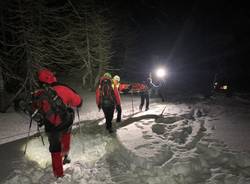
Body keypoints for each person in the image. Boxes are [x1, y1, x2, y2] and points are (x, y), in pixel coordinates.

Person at [32, 68, 82, 178]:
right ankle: (65, 156)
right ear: (53, 78)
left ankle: (58, 174)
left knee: (55, 149)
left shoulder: (39, 93)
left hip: (51, 126)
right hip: (65, 122)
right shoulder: (64, 88)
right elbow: (78, 101)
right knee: (66, 136)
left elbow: (35, 109)